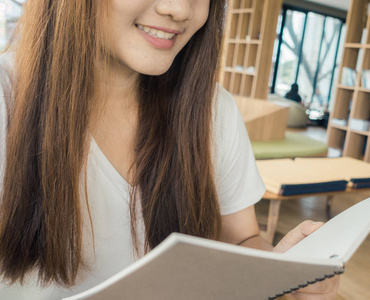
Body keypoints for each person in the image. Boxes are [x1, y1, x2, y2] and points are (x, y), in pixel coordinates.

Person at [0, 1, 339, 299]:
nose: (179, 9)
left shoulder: (212, 110)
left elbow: (240, 239)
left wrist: (283, 274)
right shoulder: (7, 99)